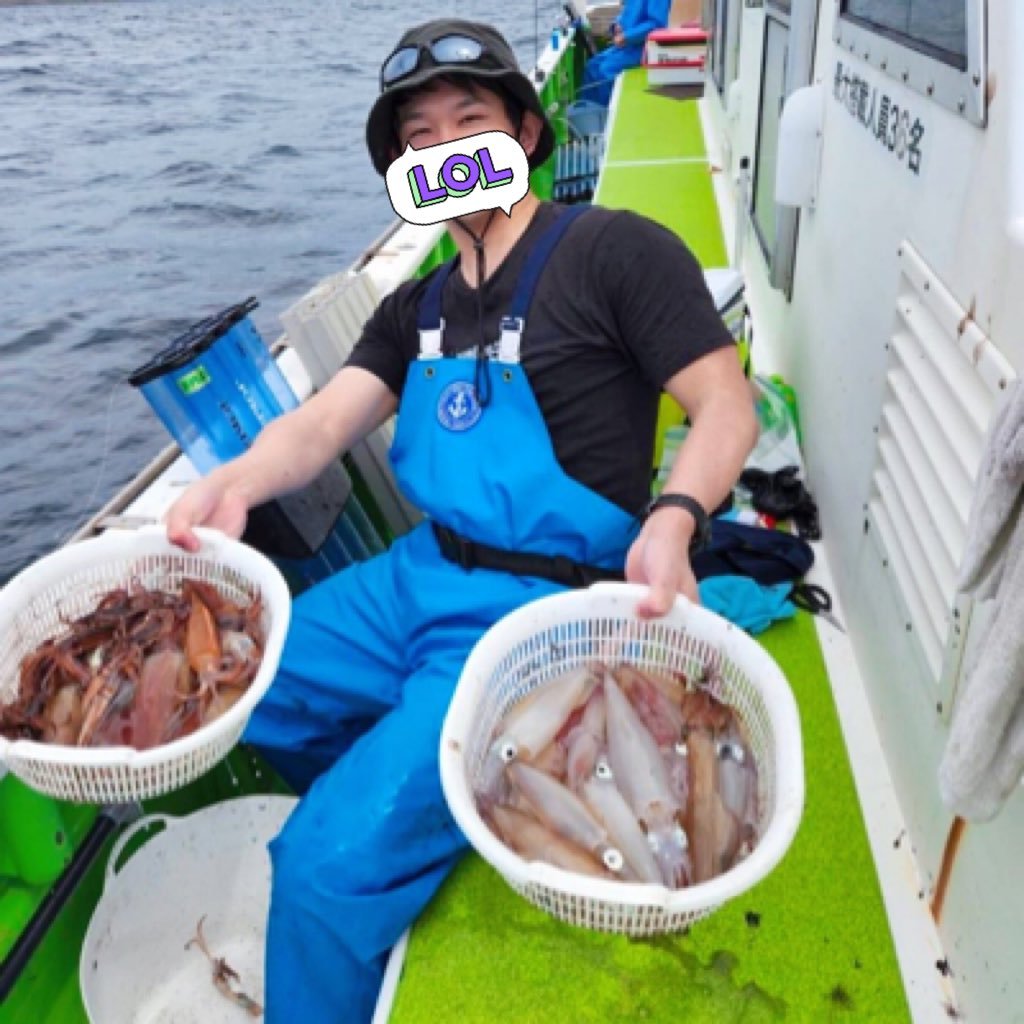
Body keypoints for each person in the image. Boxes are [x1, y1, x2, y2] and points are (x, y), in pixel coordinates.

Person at [166, 18, 757, 1024]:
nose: (440, 147)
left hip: (539, 614)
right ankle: (406, 815)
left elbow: (725, 406)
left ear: (525, 133)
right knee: (226, 687)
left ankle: (350, 874)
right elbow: (317, 427)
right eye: (418, 135)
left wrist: (672, 516)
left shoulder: (614, 252)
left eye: (466, 120)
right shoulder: (414, 307)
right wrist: (237, 484)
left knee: (315, 870)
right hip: (412, 575)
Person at [582, 0, 671, 106]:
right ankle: (591, 114)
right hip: (628, 46)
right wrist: (617, 24)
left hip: (644, 48)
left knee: (606, 70)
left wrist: (627, 36)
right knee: (592, 66)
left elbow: (657, 24)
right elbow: (627, 12)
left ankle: (608, 114)